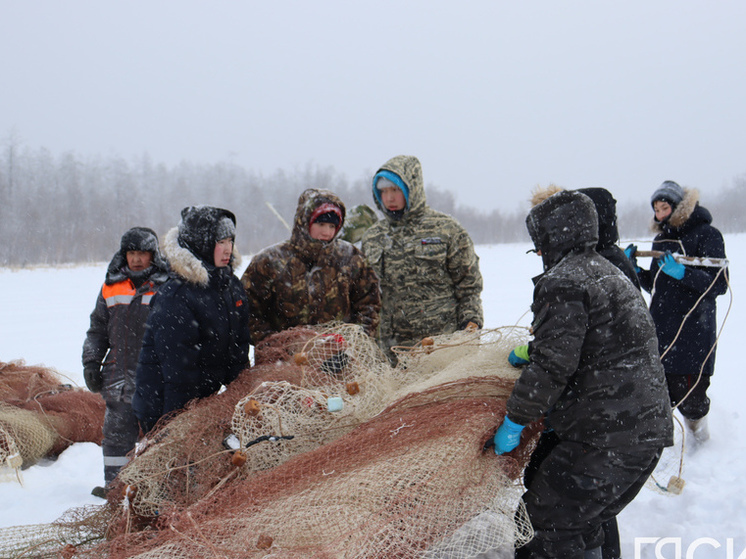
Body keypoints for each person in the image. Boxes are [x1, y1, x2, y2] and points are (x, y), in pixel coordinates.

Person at [493, 190, 673, 558]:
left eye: (538, 243)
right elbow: (595, 347)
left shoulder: (563, 281)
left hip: (607, 436)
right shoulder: (610, 272)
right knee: (580, 521)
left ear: (550, 237)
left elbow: (553, 366)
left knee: (545, 521)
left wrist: (514, 421)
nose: (539, 252)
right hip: (645, 434)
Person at [132, 206, 251, 434]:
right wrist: (176, 426)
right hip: (165, 406)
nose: (228, 249)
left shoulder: (231, 287)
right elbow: (178, 374)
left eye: (230, 241)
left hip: (206, 402)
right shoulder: (177, 296)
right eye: (220, 242)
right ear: (202, 244)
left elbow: (238, 352)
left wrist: (240, 397)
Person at [626, 181, 728, 443]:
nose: (660, 214)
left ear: (679, 206)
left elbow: (720, 284)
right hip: (661, 326)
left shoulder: (707, 234)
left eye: (664, 207)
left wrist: (685, 274)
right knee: (660, 390)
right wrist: (636, 272)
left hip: (694, 328)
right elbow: (657, 285)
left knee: (691, 393)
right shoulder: (661, 238)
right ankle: (660, 443)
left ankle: (700, 440)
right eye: (656, 209)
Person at [361, 155, 483, 362]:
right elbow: (364, 295)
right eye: (383, 191)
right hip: (390, 352)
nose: (389, 198)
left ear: (412, 189)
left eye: (395, 190)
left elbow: (469, 286)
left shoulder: (446, 229)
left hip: (440, 347)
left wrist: (471, 324)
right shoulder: (373, 237)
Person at [82, 227, 169, 498]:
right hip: (118, 377)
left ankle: (157, 490)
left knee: (159, 437)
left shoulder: (167, 286)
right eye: (132, 253)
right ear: (124, 254)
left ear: (153, 255)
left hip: (155, 378)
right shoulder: (111, 285)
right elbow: (97, 329)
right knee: (116, 438)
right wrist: (91, 362)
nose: (137, 259)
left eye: (142, 253)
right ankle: (115, 489)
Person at [241, 188, 380, 345]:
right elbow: (247, 310)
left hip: (339, 359)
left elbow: (369, 304)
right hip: (282, 362)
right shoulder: (270, 261)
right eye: (321, 224)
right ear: (305, 221)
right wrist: (276, 344)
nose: (327, 232)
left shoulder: (351, 258)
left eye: (332, 226)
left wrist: (352, 344)